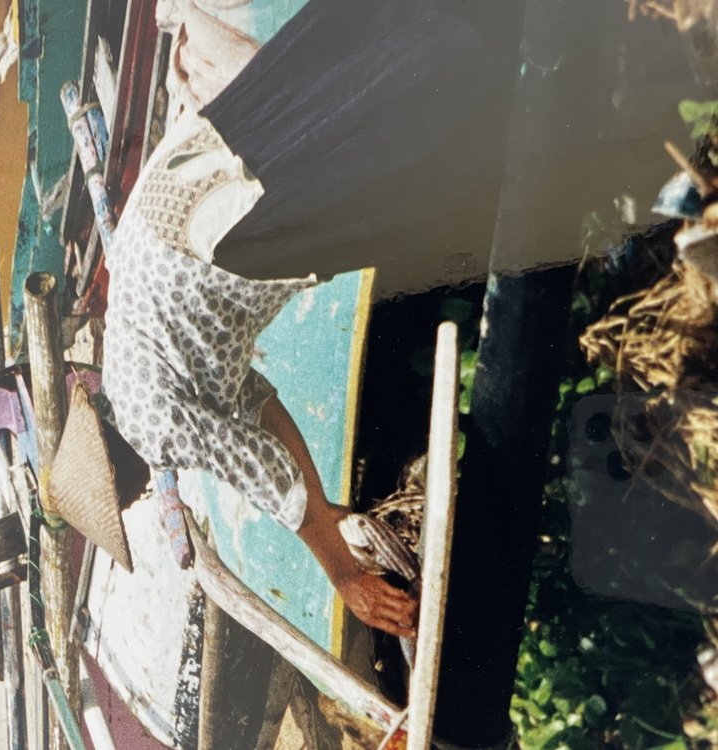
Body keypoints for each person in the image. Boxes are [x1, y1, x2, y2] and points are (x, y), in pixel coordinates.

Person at [100, 0, 521, 637]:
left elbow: (260, 468)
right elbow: (262, 410)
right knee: (341, 93)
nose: (136, 498)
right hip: (202, 167)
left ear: (125, 474)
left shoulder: (149, 427)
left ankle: (502, 87)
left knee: (392, 164)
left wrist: (341, 573)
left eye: (126, 495)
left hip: (226, 231)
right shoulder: (123, 354)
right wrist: (327, 510)